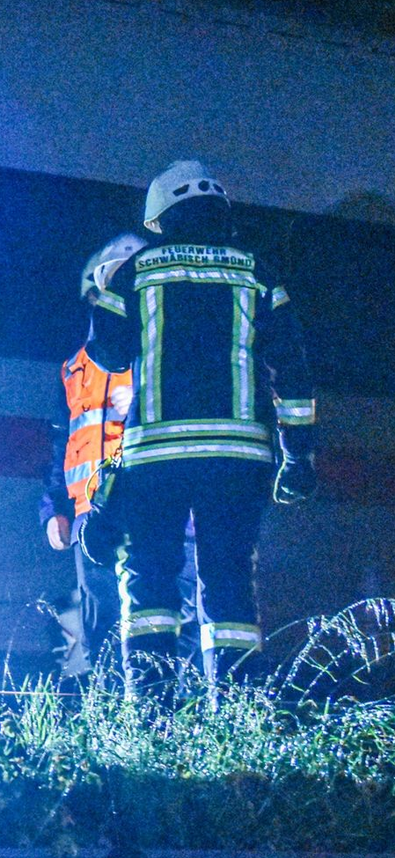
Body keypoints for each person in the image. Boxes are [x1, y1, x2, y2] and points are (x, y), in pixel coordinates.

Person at [88, 160, 317, 691]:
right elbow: (293, 366)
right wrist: (298, 454)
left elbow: (107, 353)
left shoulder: (138, 270)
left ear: (162, 214)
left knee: (150, 583)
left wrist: (107, 295)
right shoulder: (258, 271)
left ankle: (151, 713)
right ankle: (237, 710)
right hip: (238, 457)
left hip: (155, 458)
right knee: (230, 581)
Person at [40, 234, 142, 676]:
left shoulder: (155, 354)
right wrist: (54, 510)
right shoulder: (72, 370)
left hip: (146, 508)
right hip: (88, 519)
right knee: (101, 626)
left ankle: (163, 707)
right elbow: (61, 447)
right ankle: (110, 708)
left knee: (153, 617)